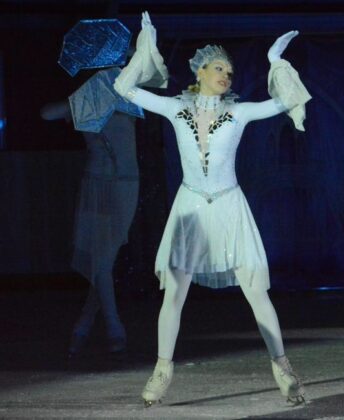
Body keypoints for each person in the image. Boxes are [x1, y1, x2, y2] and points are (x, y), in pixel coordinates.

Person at [113, 13, 310, 406]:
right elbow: (124, 87)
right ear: (199, 71)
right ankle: (162, 370)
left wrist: (274, 60)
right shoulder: (176, 108)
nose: (226, 75)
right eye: (219, 68)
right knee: (174, 292)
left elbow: (287, 100)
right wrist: (146, 44)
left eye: (230, 72)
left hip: (229, 205)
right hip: (190, 207)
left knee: (256, 290)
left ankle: (283, 368)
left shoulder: (239, 113)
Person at [41, 100, 138, 359]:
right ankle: (113, 326)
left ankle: (84, 321)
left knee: (104, 260)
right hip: (95, 184)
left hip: (124, 184)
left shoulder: (125, 96)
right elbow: (47, 113)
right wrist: (80, 100)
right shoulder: (86, 99)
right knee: (102, 262)